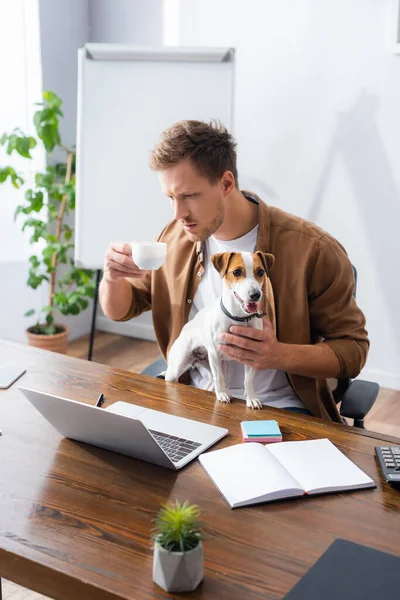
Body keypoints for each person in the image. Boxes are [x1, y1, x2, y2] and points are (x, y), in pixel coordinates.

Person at [99, 120, 369, 422]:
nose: (178, 214)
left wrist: (278, 355)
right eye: (171, 198)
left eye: (189, 195)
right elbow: (120, 310)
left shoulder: (312, 249)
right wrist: (112, 276)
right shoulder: (175, 238)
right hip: (194, 399)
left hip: (277, 409)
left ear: (227, 184)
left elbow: (353, 350)